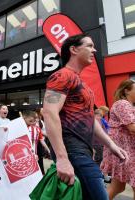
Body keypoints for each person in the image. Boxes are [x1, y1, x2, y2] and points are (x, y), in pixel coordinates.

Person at [42, 33, 128, 200]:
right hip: (73, 152)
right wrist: (62, 158)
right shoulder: (62, 75)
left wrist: (111, 145)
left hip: (83, 152)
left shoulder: (81, 83)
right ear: (73, 49)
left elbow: (90, 119)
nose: (94, 50)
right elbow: (49, 112)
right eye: (89, 46)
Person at [101, 79, 135, 200]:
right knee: (117, 187)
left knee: (118, 187)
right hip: (125, 151)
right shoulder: (122, 104)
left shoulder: (127, 105)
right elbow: (132, 128)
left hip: (124, 151)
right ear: (126, 91)